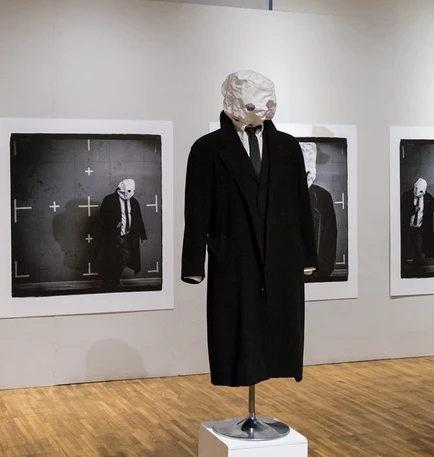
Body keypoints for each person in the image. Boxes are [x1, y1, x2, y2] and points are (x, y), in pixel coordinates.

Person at [181, 70, 318, 388]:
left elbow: (301, 205)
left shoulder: (288, 147)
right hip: (234, 256)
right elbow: (196, 210)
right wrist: (193, 265)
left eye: (268, 103)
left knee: (279, 330)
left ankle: (274, 366)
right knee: (237, 332)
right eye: (254, 104)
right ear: (233, 102)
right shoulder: (206, 149)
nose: (263, 110)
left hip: (281, 256)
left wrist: (307, 256)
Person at [94, 178, 147, 290]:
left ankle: (114, 278)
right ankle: (110, 281)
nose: (130, 194)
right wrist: (113, 223)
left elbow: (138, 219)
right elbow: (103, 214)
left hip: (128, 235)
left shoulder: (133, 202)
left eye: (132, 191)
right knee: (111, 258)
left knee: (126, 257)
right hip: (113, 236)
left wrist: (142, 235)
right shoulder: (110, 200)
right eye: (128, 191)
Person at [300, 141, 338, 280]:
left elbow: (330, 237)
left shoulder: (322, 197)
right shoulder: (276, 196)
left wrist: (322, 272)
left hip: (317, 277)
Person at [401, 177, 434, 274]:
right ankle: (401, 269)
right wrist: (412, 210)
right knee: (404, 248)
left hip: (419, 229)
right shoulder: (407, 196)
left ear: (425, 191)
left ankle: (417, 269)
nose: (417, 192)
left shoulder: (428, 198)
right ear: (414, 186)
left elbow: (433, 206)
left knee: (419, 249)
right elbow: (401, 208)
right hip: (407, 228)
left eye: (421, 191)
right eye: (416, 189)